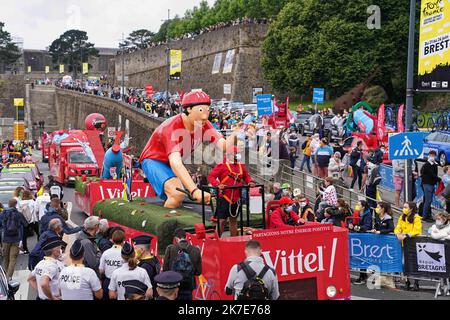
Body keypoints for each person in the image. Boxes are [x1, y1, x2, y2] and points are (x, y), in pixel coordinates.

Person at [139, 90, 248, 209]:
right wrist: (194, 190)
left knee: (177, 196)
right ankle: (163, 224)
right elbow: (176, 163)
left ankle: (173, 218)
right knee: (177, 195)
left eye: (207, 110)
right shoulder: (172, 127)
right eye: (201, 110)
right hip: (153, 160)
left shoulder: (203, 124)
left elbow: (224, 146)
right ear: (189, 109)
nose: (205, 115)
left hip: (169, 163)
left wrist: (237, 132)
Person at [208, 146, 255, 237]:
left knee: (233, 220)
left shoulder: (241, 165)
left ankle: (234, 241)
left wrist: (250, 181)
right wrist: (218, 185)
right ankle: (217, 241)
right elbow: (211, 176)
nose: (238, 155)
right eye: (236, 153)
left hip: (236, 198)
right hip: (224, 197)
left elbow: (246, 176)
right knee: (221, 221)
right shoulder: (222, 165)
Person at [163, 228, 202, 300]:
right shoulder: (196, 250)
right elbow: (198, 272)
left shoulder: (170, 249)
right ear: (186, 237)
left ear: (176, 239)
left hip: (174, 286)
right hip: (189, 286)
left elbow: (165, 270)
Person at [395, 202, 422, 291]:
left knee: (414, 264)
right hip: (404, 243)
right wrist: (398, 233)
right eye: (403, 207)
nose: (404, 209)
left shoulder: (416, 218)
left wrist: (406, 235)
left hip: (413, 244)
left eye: (406, 207)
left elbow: (417, 230)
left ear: (411, 208)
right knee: (404, 263)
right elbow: (398, 227)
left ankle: (416, 283)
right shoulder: (402, 216)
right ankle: (407, 282)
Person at [1, 199, 29, 279]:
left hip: (5, 238)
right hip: (16, 239)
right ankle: (9, 276)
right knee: (13, 258)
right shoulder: (18, 214)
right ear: (16, 204)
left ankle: (6, 277)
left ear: (8, 205)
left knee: (5, 258)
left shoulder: (3, 213)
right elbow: (25, 224)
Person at [99, 229, 125, 300]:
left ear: (112, 240)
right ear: (123, 241)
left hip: (107, 282)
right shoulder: (125, 254)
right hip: (120, 283)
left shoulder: (106, 252)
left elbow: (101, 270)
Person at [420, 150, 440, 222]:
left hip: (431, 184)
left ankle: (428, 215)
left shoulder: (434, 164)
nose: (432, 156)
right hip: (427, 184)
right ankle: (424, 216)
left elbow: (434, 174)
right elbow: (431, 174)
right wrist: (439, 179)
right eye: (431, 155)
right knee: (428, 200)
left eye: (434, 155)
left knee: (427, 200)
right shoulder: (427, 165)